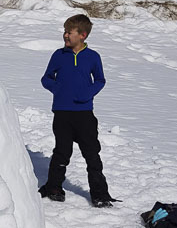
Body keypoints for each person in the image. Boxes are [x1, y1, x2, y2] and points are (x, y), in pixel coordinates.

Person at [39, 14, 118, 208]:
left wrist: (86, 93)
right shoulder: (59, 55)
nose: (65, 35)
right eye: (64, 31)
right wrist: (58, 89)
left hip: (84, 114)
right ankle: (54, 187)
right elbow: (46, 78)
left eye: (69, 32)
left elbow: (100, 80)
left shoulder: (92, 57)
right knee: (61, 152)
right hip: (62, 113)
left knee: (92, 154)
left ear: (82, 35)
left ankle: (99, 194)